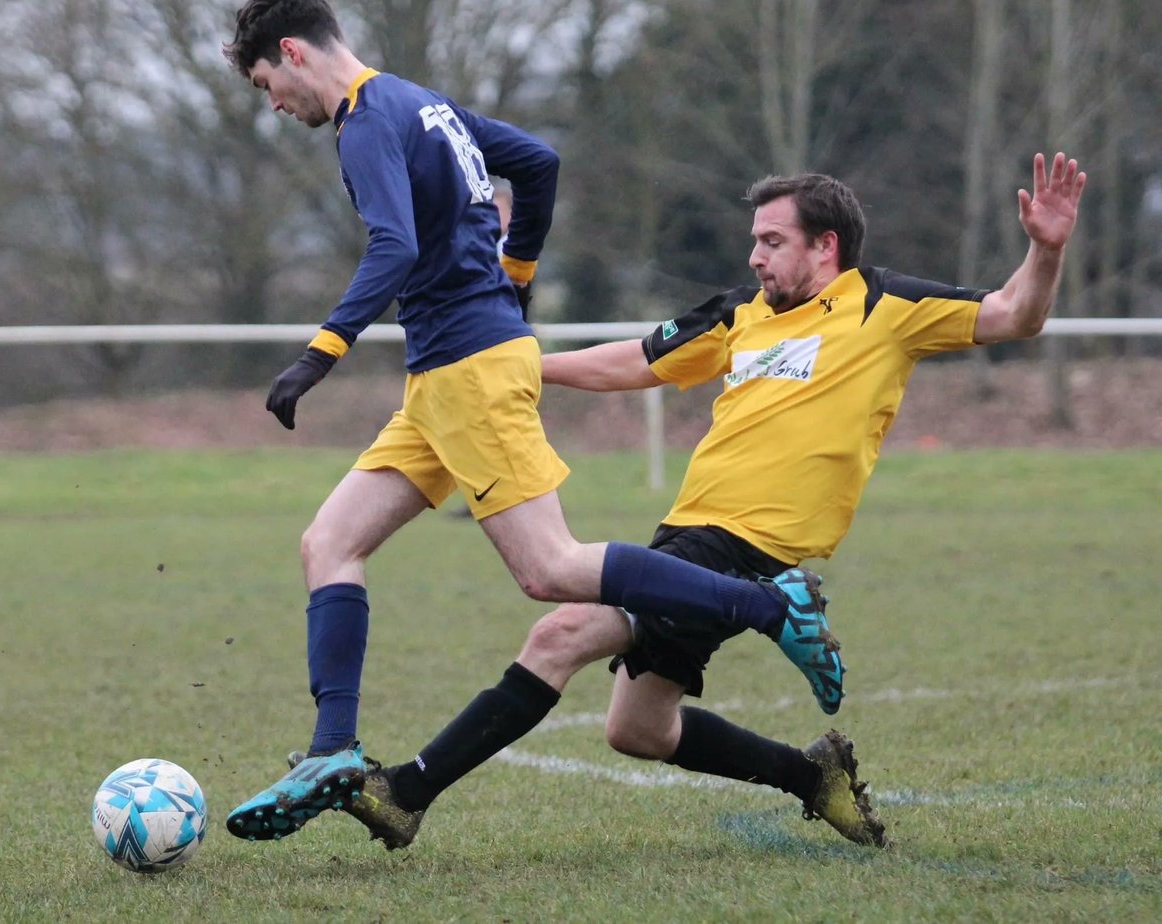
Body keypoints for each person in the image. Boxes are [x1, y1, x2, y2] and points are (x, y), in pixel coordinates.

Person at [307, 151, 1085, 852]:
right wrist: (519, 367)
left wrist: (1045, 249)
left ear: (827, 247)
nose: (755, 254)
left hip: (753, 547)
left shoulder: (885, 307)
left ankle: (405, 795)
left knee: (560, 632)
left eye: (772, 241)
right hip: (688, 540)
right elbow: (635, 363)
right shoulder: (736, 315)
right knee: (639, 730)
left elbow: (1017, 314)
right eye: (754, 239)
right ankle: (812, 778)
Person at [219, 0, 842, 842]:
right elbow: (537, 165)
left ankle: (774, 607)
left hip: (469, 370)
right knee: (330, 542)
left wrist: (319, 353)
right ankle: (333, 750)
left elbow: (394, 243)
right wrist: (515, 279)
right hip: (448, 374)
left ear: (291, 53)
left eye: (264, 86)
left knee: (548, 568)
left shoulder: (367, 122)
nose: (274, 105)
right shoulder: (420, 103)